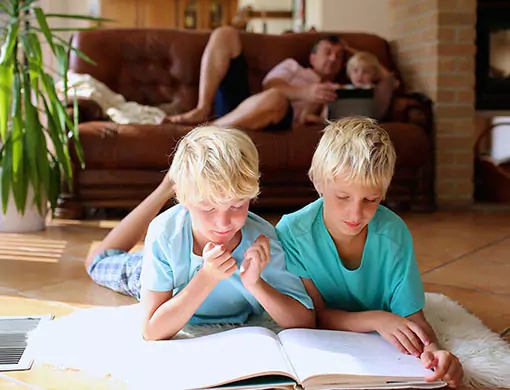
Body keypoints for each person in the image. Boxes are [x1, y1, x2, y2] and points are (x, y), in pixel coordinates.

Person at [275, 117, 464, 387]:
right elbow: (315, 316)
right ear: (318, 182)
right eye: (342, 197)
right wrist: (377, 319)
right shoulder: (292, 232)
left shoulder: (393, 234)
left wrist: (433, 350)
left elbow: (412, 318)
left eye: (370, 200)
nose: (356, 214)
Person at [84, 126, 315, 340]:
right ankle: (165, 188)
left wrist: (256, 284)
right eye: (208, 208)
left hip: (179, 260)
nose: (223, 222)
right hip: (151, 272)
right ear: (183, 199)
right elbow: (152, 331)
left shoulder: (262, 238)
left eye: (237, 205)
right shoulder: (165, 234)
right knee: (96, 263)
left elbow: (305, 321)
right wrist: (207, 277)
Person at [167, 26, 345, 130]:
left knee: (277, 99)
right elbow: (270, 86)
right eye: (327, 52)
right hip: (250, 105)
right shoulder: (293, 66)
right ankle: (202, 108)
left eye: (339, 56)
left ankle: (211, 131)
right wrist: (306, 92)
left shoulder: (338, 89)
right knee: (225, 33)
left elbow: (368, 65)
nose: (333, 59)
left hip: (279, 119)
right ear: (312, 57)